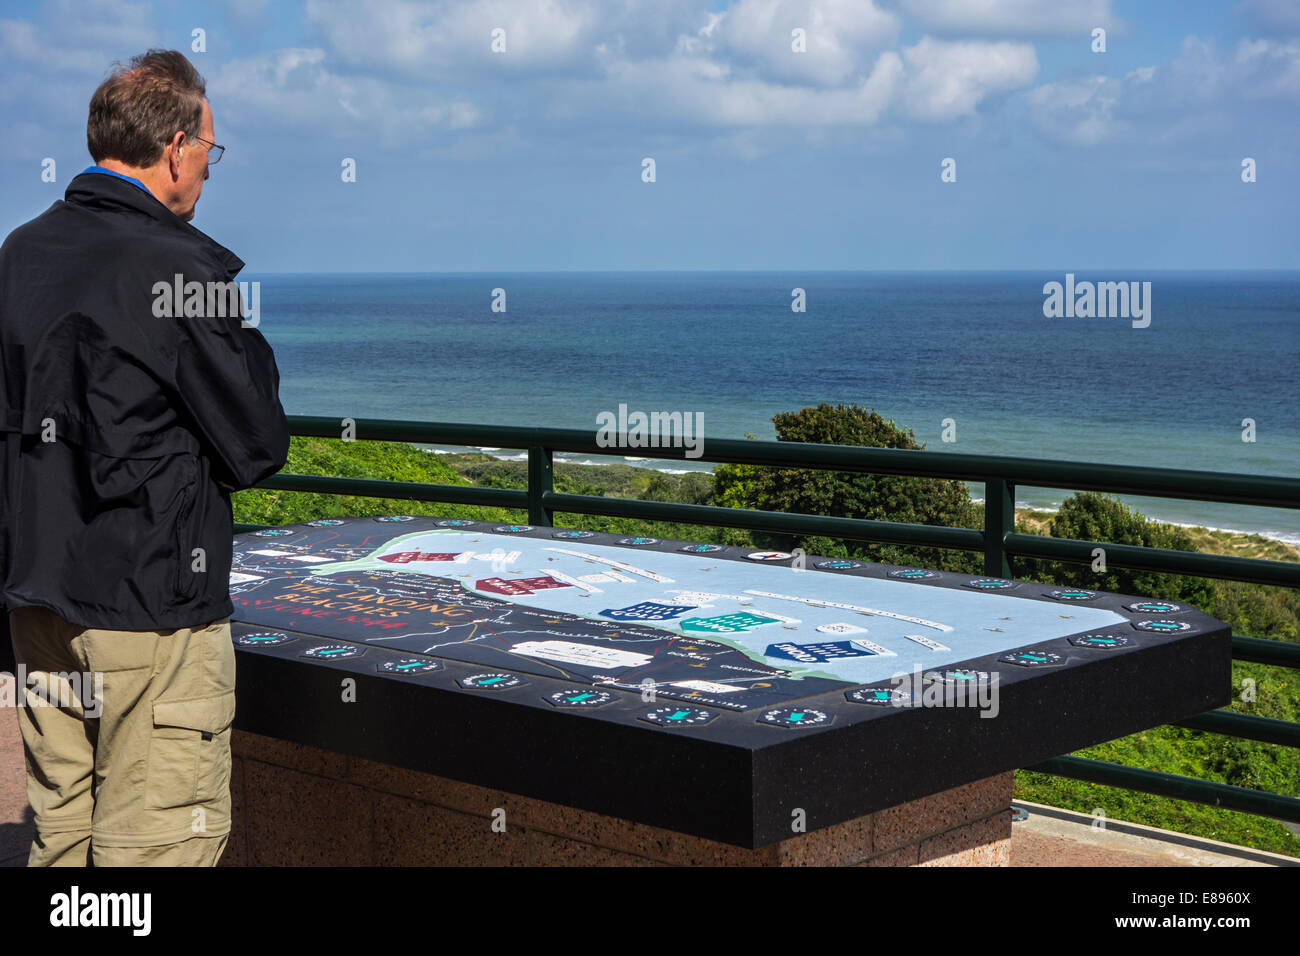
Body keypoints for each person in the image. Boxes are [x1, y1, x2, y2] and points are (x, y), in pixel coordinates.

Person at [0, 49, 289, 866]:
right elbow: (259, 441)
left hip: (39, 606)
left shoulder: (18, 254)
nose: (208, 169)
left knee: (59, 837)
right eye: (209, 149)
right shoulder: (177, 266)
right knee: (154, 849)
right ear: (173, 147)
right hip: (150, 612)